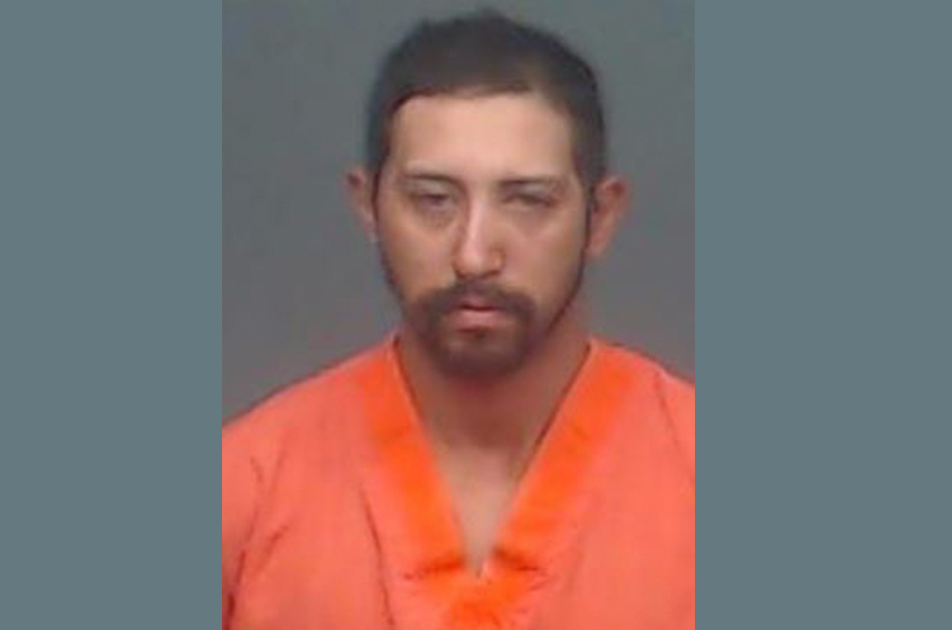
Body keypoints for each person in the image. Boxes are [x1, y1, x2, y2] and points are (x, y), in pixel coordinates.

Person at [223, 9, 694, 629]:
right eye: (433, 200)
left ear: (600, 217)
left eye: (528, 201)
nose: (474, 255)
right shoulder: (244, 490)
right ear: (368, 206)